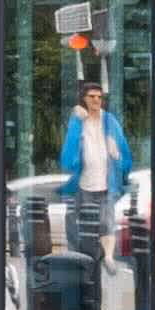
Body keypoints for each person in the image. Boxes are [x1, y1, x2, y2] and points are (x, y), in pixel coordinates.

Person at [56, 77, 135, 258]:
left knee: (106, 226)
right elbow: (67, 158)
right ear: (84, 99)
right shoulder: (77, 121)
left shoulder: (110, 121)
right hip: (82, 186)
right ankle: (77, 258)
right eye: (92, 96)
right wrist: (76, 121)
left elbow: (126, 159)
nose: (96, 100)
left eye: (99, 97)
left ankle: (104, 260)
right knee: (74, 223)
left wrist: (116, 155)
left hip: (106, 186)